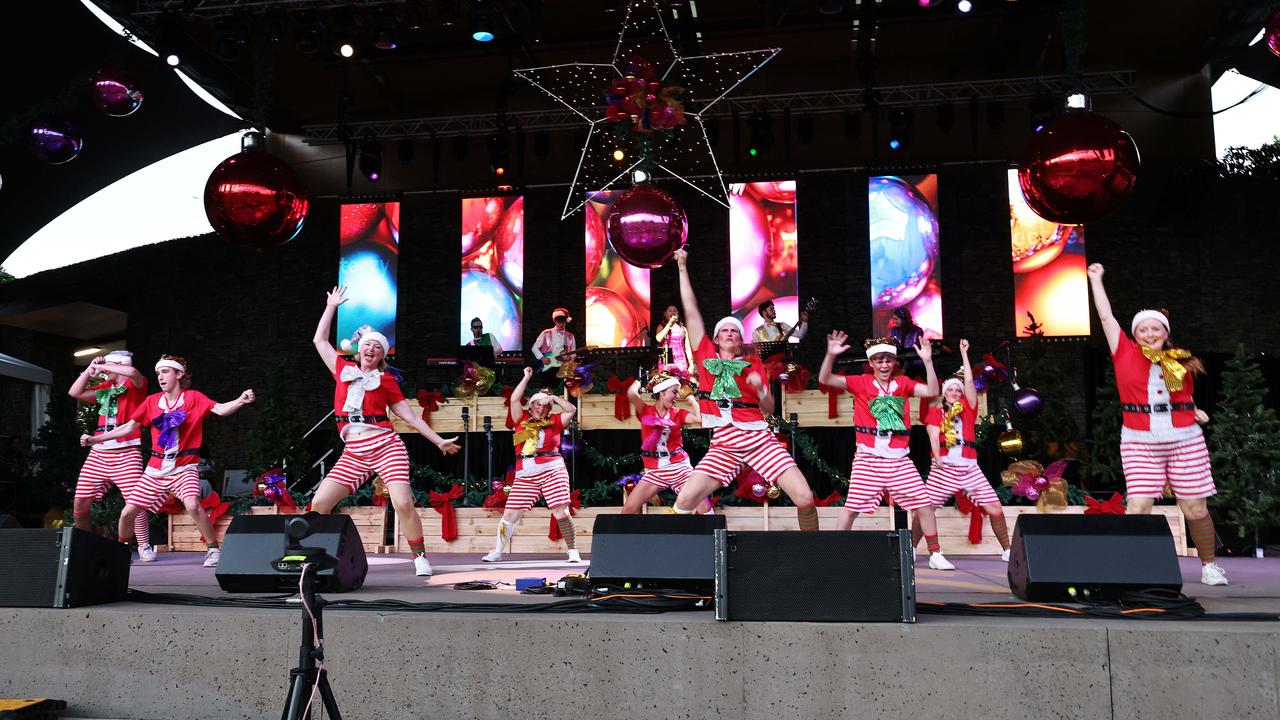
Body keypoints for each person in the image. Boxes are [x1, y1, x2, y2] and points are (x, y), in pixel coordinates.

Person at [1088, 263, 1226, 585]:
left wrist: (1195, 410)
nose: (1150, 334)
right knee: (1137, 505)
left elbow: (1180, 397)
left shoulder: (1180, 361)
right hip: (1139, 440)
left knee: (1194, 509)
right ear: (1135, 334)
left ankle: (1209, 566)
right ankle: (1133, 566)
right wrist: (1097, 281)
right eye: (1143, 330)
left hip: (1184, 439)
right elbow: (1106, 317)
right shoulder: (1123, 352)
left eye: (1156, 329)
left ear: (1165, 333)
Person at [310, 286, 460, 578]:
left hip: (386, 445)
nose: (372, 350)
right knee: (319, 503)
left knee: (402, 502)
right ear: (359, 350)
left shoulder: (386, 380)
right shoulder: (340, 369)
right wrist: (331, 306)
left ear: (381, 356)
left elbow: (410, 417)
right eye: (368, 345)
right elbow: (319, 340)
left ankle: (419, 557)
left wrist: (438, 440)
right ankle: (317, 557)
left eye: (378, 347)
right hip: (353, 451)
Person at [668, 249, 819, 527]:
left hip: (757, 438)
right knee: (685, 501)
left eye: (735, 331)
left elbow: (770, 408)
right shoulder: (705, 358)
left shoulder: (752, 364)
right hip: (724, 443)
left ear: (740, 340)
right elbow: (690, 309)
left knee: (804, 496)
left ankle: (814, 554)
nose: (730, 334)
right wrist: (682, 266)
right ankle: (677, 558)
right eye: (724, 330)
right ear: (715, 338)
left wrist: (762, 390)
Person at [81, 355, 255, 568]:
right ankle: (124, 550)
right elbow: (128, 427)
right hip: (156, 469)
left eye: (165, 372)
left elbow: (220, 409)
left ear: (179, 374)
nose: (160, 377)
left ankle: (212, 549)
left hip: (185, 467)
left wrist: (240, 400)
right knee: (128, 512)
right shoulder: (152, 401)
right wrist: (95, 439)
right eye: (158, 373)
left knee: (192, 505)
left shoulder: (194, 398)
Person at [817, 331, 955, 570]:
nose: (884, 364)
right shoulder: (861, 382)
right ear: (871, 363)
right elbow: (826, 378)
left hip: (899, 459)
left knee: (924, 504)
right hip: (868, 458)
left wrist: (928, 361)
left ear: (895, 362)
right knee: (851, 509)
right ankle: (836, 551)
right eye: (879, 360)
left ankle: (935, 553)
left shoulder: (902, 384)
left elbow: (932, 391)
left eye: (888, 360)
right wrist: (830, 354)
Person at [919, 340, 1011, 561]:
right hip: (943, 468)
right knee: (925, 511)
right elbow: (932, 435)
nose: (953, 392)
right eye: (949, 389)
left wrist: (964, 354)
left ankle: (1007, 550)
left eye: (956, 390)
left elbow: (969, 381)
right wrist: (937, 455)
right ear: (944, 393)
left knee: (995, 508)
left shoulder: (969, 410)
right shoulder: (935, 412)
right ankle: (912, 549)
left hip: (969, 468)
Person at [482, 366, 582, 563]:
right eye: (538, 404)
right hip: (526, 472)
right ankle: (497, 551)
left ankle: (573, 551)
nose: (541, 408)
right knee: (510, 513)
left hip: (552, 468)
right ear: (531, 405)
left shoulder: (554, 421)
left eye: (545, 407)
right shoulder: (520, 420)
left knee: (560, 511)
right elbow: (514, 399)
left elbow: (571, 409)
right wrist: (526, 377)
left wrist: (552, 398)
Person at [67, 352, 154, 560]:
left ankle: (143, 545)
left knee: (134, 501)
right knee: (80, 502)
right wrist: (90, 369)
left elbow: (132, 372)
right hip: (99, 453)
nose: (104, 369)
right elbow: (75, 392)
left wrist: (106, 366)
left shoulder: (136, 386)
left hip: (127, 452)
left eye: (109, 365)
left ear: (118, 365)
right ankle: (85, 545)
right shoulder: (104, 390)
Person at [621, 372, 706, 514]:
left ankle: (715, 536)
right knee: (627, 510)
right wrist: (642, 378)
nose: (677, 397)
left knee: (703, 507)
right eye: (674, 392)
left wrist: (691, 399)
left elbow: (699, 418)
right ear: (662, 393)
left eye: (678, 393)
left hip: (679, 468)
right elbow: (631, 393)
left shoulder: (678, 413)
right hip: (655, 470)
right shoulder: (645, 411)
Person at [532, 308, 576, 387]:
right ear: (555, 321)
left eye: (563, 321)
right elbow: (534, 348)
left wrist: (569, 358)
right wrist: (542, 358)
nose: (561, 324)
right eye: (559, 321)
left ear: (566, 321)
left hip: (563, 368)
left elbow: (573, 352)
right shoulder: (546, 333)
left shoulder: (570, 336)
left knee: (561, 389)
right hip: (547, 365)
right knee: (547, 388)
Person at [654, 305, 693, 374]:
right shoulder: (662, 326)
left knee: (682, 381)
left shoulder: (683, 329)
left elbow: (687, 348)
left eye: (675, 311)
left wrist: (691, 364)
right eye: (670, 311)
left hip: (680, 359)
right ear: (665, 314)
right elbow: (659, 338)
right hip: (666, 355)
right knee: (667, 380)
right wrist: (669, 324)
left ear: (678, 314)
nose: (672, 312)